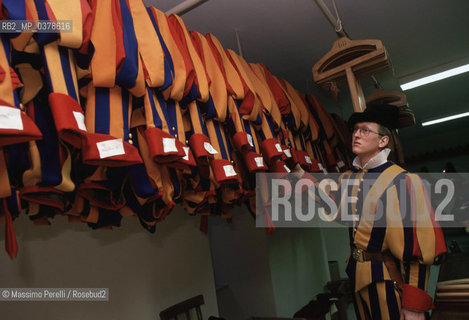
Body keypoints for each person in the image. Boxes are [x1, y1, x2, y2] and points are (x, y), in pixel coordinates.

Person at [342, 104, 446, 320]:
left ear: (383, 141)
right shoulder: (353, 178)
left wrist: (414, 305)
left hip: (387, 279)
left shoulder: (403, 181)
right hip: (356, 275)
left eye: (365, 130)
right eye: (355, 130)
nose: (356, 135)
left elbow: (418, 248)